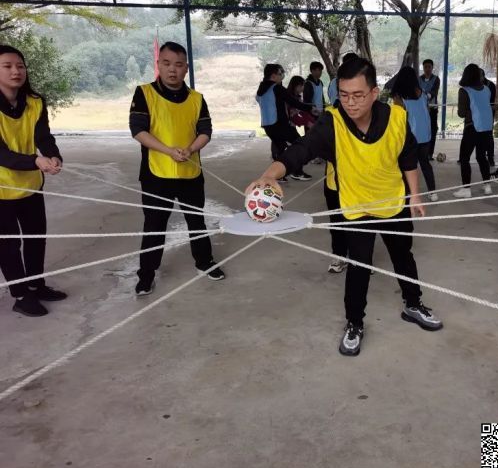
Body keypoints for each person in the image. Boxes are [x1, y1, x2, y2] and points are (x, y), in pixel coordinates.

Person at [246, 57, 443, 356]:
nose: (350, 103)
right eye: (344, 95)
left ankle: (413, 304)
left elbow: (408, 159)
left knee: (403, 256)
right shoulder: (332, 122)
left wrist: (414, 195)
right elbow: (302, 149)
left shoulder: (396, 118)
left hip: (393, 203)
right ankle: (354, 322)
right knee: (359, 266)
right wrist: (269, 175)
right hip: (356, 208)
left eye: (358, 95)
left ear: (374, 93)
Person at [129, 41, 225, 297]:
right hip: (155, 174)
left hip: (190, 173)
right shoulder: (144, 93)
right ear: (158, 65)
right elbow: (138, 130)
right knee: (154, 225)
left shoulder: (196, 99)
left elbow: (206, 131)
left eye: (178, 64)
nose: (172, 69)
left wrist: (190, 149)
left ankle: (204, 262)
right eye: (167, 63)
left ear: (186, 68)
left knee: (196, 220)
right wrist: (168, 150)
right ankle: (146, 274)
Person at [0, 45, 67, 317]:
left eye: (20, 65)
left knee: (36, 238)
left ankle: (36, 285)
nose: (16, 71)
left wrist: (53, 156)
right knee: (8, 246)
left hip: (30, 185)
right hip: (2, 190)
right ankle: (20, 295)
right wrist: (35, 161)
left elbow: (43, 137)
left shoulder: (35, 102)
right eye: (7, 66)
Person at [256, 64, 314, 181]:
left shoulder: (261, 90)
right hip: (280, 125)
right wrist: (310, 108)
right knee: (299, 145)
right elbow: (293, 102)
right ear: (273, 75)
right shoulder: (276, 88)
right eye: (280, 73)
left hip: (267, 126)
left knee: (281, 150)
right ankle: (297, 172)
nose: (282, 75)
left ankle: (278, 175)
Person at [392, 66, 437, 200]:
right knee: (425, 164)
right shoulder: (421, 92)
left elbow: (398, 118)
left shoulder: (399, 96)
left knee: (406, 165)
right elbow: (426, 111)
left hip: (410, 137)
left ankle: (407, 193)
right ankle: (433, 192)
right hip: (425, 135)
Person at [452, 64, 494, 199]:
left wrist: (465, 110)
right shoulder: (486, 89)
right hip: (486, 128)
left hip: (472, 127)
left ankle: (466, 189)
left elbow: (461, 113)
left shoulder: (464, 91)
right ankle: (487, 185)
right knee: (482, 157)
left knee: (464, 158)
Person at [419, 59, 440, 158]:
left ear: (432, 68)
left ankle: (430, 153)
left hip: (432, 109)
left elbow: (434, 92)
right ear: (423, 68)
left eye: (429, 67)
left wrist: (427, 95)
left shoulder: (436, 79)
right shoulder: (419, 79)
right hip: (421, 109)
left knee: (432, 130)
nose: (427, 69)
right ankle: (421, 152)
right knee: (422, 130)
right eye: (425, 67)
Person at [480, 68, 497, 167]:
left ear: (482, 76)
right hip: (477, 115)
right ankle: (464, 157)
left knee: (488, 136)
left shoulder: (490, 85)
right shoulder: (474, 85)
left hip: (488, 114)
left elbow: (490, 101)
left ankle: (490, 158)